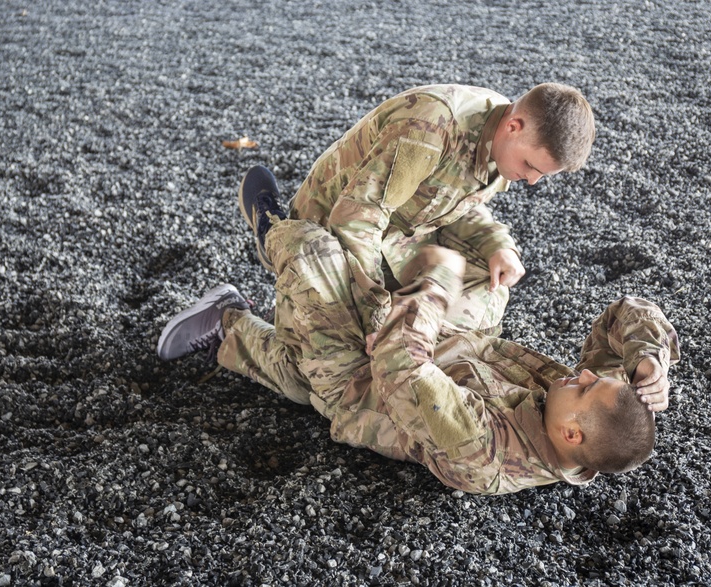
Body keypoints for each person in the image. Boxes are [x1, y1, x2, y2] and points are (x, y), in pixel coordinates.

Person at [158, 186, 680, 495]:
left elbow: (399, 367)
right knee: (491, 270)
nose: (583, 373)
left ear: (570, 434)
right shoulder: (578, 419)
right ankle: (380, 264)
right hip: (461, 343)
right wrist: (648, 358)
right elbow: (627, 313)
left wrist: (433, 286)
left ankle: (241, 291)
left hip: (363, 380)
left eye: (588, 386)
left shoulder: (484, 450)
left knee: (310, 253)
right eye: (596, 376)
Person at [242, 83, 596, 354]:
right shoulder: (429, 127)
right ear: (514, 126)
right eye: (531, 168)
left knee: (487, 297)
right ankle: (272, 231)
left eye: (542, 175)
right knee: (330, 362)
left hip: (400, 234)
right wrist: (375, 314)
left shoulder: (504, 140)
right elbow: (357, 218)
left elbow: (457, 201)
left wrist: (497, 246)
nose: (532, 181)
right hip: (330, 229)